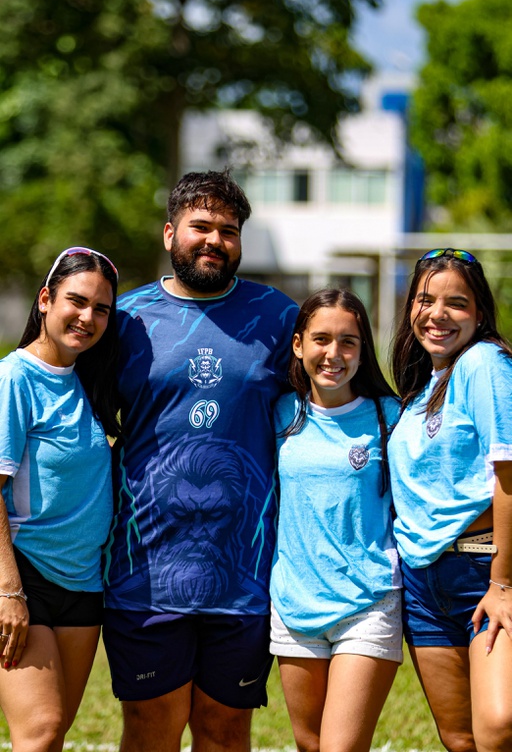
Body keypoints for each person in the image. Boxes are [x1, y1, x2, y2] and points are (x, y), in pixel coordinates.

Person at [102, 170, 299, 752]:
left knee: (225, 731)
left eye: (229, 231)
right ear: (170, 233)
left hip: (245, 573)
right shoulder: (126, 319)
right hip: (143, 572)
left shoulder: (279, 318)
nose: (215, 240)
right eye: (201, 226)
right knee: (150, 731)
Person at [389, 248, 512, 752]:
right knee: (459, 739)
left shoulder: (485, 362)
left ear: (479, 314)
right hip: (422, 582)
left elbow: (508, 473)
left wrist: (502, 583)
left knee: (498, 727)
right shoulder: (420, 389)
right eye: (426, 300)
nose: (437, 314)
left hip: (483, 571)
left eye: (456, 303)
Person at [270, 288, 403, 752]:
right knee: (309, 743)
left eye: (348, 342)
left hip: (368, 602)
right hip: (294, 603)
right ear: (298, 345)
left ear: (363, 350)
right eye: (321, 339)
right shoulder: (279, 413)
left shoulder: (389, 417)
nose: (334, 354)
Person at [0, 246, 120, 752]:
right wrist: (8, 592)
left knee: (54, 736)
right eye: (77, 301)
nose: (88, 317)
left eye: (101, 309)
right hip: (25, 577)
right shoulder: (14, 378)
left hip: (84, 583)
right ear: (46, 299)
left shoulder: (90, 382)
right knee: (42, 730)